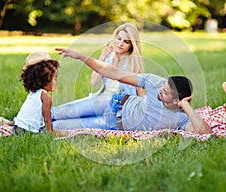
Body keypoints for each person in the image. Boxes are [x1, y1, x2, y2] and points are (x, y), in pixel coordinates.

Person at [53, 48, 212, 135]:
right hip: (114, 101)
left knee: (58, 125)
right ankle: (29, 116)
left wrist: (187, 106)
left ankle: (31, 127)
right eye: (162, 87)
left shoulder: (180, 119)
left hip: (113, 123)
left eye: (165, 92)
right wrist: (81, 56)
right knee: (57, 112)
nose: (160, 91)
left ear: (177, 100)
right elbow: (115, 73)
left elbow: (205, 132)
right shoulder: (154, 82)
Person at [51, 23, 145, 129]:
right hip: (100, 100)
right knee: (66, 112)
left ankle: (40, 125)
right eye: (118, 39)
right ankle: (33, 118)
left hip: (117, 110)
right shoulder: (109, 57)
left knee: (59, 125)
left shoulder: (134, 63)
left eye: (126, 42)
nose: (120, 44)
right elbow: (94, 82)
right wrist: (102, 57)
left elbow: (140, 92)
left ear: (132, 44)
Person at [0, 51, 61, 136]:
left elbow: (22, 119)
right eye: (55, 78)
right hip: (26, 131)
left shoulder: (33, 94)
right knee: (62, 133)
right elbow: (47, 119)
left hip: (18, 126)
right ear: (44, 79)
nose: (57, 81)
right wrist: (50, 135)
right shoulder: (46, 97)